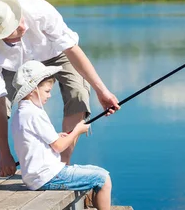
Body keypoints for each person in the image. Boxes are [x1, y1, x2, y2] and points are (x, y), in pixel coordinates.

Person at [0, 0, 120, 185]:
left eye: (19, 19)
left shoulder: (38, 9)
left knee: (79, 93)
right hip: (11, 64)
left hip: (55, 52)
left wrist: (103, 91)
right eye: (14, 29)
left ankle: (61, 167)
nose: (23, 26)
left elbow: (72, 49)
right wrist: (5, 153)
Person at [10, 60, 112, 210]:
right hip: (48, 177)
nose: (50, 96)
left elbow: (35, 140)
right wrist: (77, 130)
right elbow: (58, 147)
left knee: (95, 172)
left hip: (35, 177)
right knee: (103, 178)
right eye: (47, 91)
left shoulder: (20, 114)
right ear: (33, 90)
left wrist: (58, 135)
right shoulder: (35, 114)